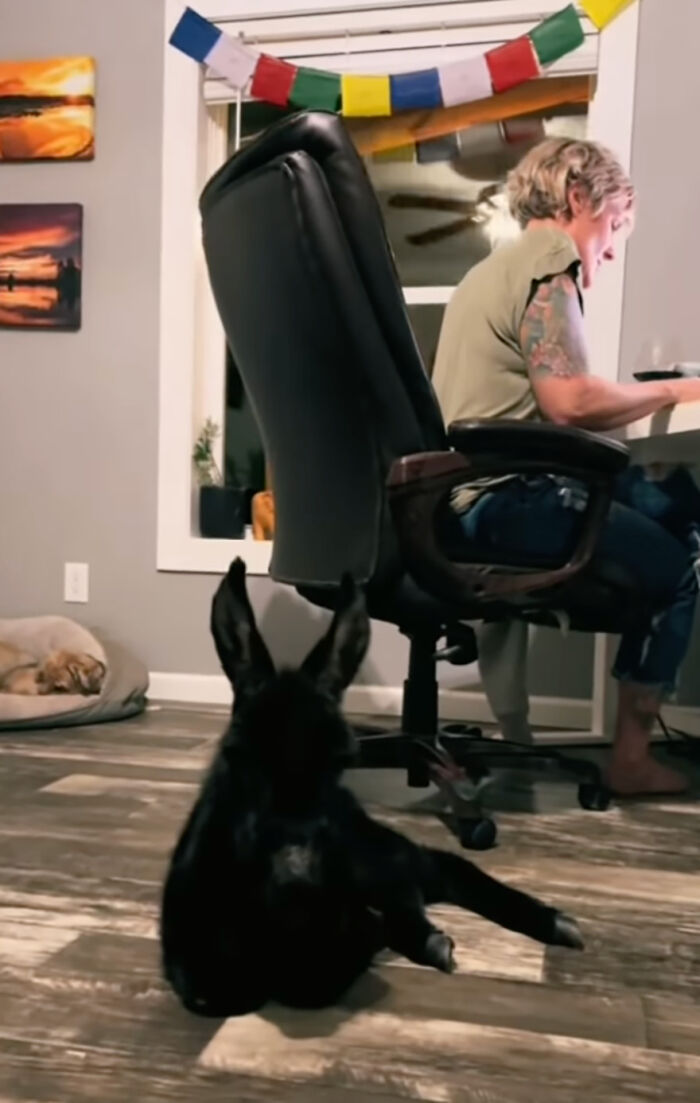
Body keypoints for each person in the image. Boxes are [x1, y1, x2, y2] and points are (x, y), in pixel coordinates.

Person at [431, 137, 700, 797]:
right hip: (506, 501)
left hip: (461, 503)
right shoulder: (552, 260)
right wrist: (679, 388)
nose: (611, 248)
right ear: (578, 199)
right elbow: (570, 401)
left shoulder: (488, 272)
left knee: (671, 501)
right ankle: (631, 759)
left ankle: (610, 735)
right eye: (615, 225)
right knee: (680, 566)